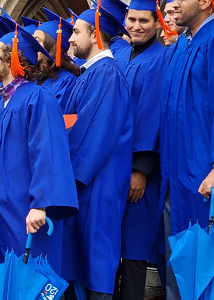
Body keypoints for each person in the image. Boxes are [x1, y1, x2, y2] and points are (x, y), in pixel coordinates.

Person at [0, 24, 79, 300]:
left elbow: (48, 153)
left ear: (12, 59)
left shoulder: (38, 98)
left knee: (23, 283)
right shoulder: (1, 103)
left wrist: (40, 203)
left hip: (20, 213)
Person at [61, 5, 133, 300]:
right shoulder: (89, 74)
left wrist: (67, 178)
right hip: (84, 182)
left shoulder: (107, 74)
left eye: (76, 32)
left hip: (95, 182)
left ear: (96, 35)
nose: (70, 40)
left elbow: (94, 134)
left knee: (96, 261)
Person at [110, 1, 166, 299]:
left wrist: (141, 169)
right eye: (132, 19)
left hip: (137, 168)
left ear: (158, 24)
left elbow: (151, 116)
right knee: (110, 243)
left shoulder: (161, 58)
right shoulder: (120, 55)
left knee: (134, 244)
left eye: (144, 20)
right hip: (113, 164)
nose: (136, 26)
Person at [159, 0, 214, 298]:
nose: (173, 3)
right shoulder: (184, 45)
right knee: (178, 269)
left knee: (202, 269)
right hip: (176, 178)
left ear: (205, 2)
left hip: (202, 177)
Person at [34, 8, 81, 111]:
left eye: (37, 40)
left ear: (51, 46)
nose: (32, 44)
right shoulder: (35, 77)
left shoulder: (67, 80)